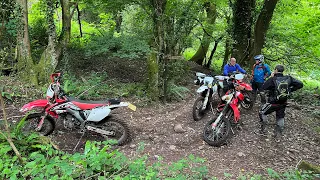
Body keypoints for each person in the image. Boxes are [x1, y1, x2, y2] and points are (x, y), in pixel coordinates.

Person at [258, 64, 303, 140]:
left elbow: (263, 87)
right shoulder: (289, 78)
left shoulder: (273, 79)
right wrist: (290, 90)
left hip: (272, 103)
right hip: (283, 102)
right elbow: (300, 84)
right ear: (283, 71)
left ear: (275, 70)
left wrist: (271, 77)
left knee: (262, 112)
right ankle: (278, 134)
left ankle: (263, 128)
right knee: (280, 117)